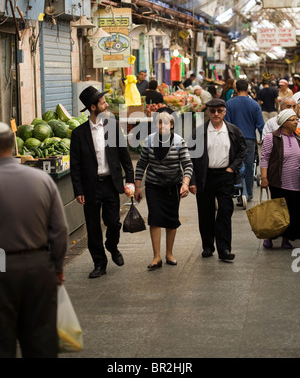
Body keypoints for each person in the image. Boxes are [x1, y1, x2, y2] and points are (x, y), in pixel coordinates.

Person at [0, 122, 68, 358]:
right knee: (40, 342)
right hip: (38, 266)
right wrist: (57, 267)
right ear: (13, 145)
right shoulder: (41, 179)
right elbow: (59, 230)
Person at [70, 86, 134, 279]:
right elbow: (75, 165)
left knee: (113, 222)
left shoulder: (113, 126)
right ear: (93, 107)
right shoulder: (79, 134)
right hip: (90, 186)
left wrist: (130, 180)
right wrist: (78, 190)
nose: (106, 105)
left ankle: (112, 245)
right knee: (92, 226)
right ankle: (99, 263)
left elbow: (124, 156)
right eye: (102, 103)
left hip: (110, 184)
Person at [134, 107, 193, 270]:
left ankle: (169, 254)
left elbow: (187, 164)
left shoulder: (179, 141)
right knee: (155, 218)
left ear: (172, 125)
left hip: (172, 186)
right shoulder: (149, 141)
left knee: (171, 219)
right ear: (156, 125)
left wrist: (185, 183)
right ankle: (156, 257)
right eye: (160, 123)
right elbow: (141, 164)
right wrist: (138, 187)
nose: (163, 126)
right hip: (153, 186)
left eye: (166, 123)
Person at [188, 99, 247, 262]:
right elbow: (190, 158)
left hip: (224, 175)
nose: (216, 114)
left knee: (225, 211)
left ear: (224, 112)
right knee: (205, 212)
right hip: (204, 176)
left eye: (219, 111)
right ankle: (207, 246)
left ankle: (224, 249)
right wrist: (191, 180)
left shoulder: (233, 131)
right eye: (212, 111)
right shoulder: (199, 132)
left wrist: (232, 168)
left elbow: (242, 150)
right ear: (208, 112)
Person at [260, 109, 300, 249]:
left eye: (296, 119)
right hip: (278, 181)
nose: (296, 122)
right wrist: (264, 178)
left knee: (292, 212)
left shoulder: (297, 138)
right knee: (276, 212)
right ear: (284, 122)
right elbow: (264, 158)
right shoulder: (272, 138)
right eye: (293, 119)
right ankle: (269, 237)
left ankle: (286, 239)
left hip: (295, 182)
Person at [225, 79, 265, 202]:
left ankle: (238, 193)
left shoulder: (229, 104)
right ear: (248, 89)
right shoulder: (254, 105)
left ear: (235, 89)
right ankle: (249, 193)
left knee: (235, 165)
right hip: (249, 140)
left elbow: (227, 123)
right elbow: (261, 125)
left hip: (234, 140)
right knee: (249, 167)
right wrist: (264, 140)